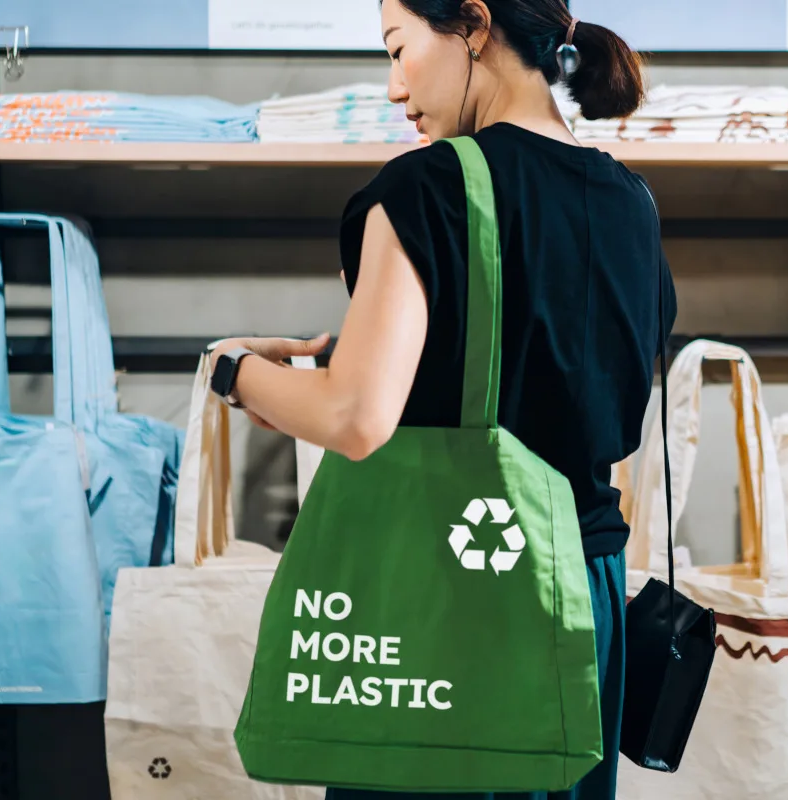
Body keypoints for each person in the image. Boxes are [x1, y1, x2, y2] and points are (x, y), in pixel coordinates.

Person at [210, 1, 675, 797]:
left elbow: (355, 418)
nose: (395, 87)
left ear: (473, 25)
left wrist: (231, 370)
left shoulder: (429, 186)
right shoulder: (631, 199)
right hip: (584, 591)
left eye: (399, 50)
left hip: (448, 594)